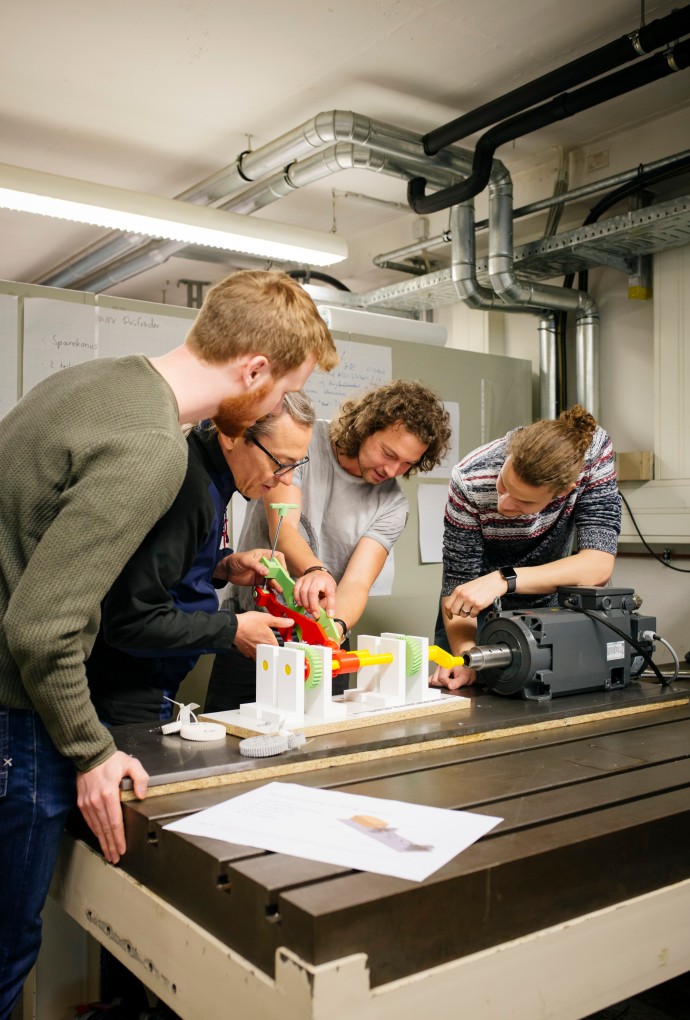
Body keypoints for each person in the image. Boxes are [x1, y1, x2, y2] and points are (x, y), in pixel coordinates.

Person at [0, 269, 337, 1020]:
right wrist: (90, 750)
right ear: (252, 371)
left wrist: (222, 568)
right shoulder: (155, 450)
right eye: (283, 394)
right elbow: (41, 627)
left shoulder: (98, 382)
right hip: (16, 719)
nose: (280, 410)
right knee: (4, 956)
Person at [204, 379, 451, 712]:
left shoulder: (392, 505)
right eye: (388, 453)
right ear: (367, 426)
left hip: (320, 650)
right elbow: (286, 527)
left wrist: (331, 631)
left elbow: (357, 582)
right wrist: (316, 570)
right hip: (255, 631)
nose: (392, 470)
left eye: (407, 464)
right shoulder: (300, 439)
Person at [87, 392, 315, 726]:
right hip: (120, 689)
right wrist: (232, 629)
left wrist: (222, 565)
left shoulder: (213, 473)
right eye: (280, 462)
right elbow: (130, 621)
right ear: (232, 436)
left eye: (295, 465)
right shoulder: (189, 486)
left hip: (147, 681)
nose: (286, 479)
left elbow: (161, 566)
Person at [431, 404, 621, 691]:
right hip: (475, 609)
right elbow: (459, 586)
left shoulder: (590, 457)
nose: (503, 504)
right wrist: (465, 656)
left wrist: (503, 580)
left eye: (524, 502)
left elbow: (598, 566)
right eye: (503, 484)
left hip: (550, 602)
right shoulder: (470, 477)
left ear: (564, 491)